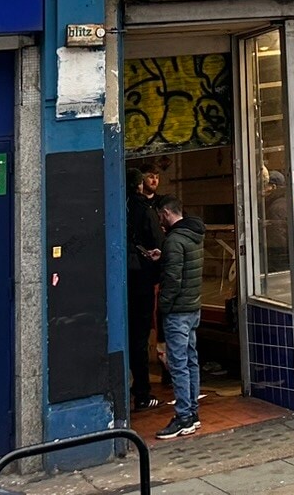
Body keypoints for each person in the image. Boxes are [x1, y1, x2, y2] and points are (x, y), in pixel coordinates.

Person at [153, 193, 206, 439]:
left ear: (165, 213)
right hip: (193, 307)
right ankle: (193, 413)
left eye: (159, 216)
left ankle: (184, 416)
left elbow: (173, 279)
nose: (159, 221)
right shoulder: (193, 234)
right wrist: (163, 257)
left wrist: (163, 306)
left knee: (178, 364)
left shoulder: (174, 240)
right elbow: (183, 266)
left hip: (177, 312)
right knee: (191, 360)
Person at [126, 166, 163, 412]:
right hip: (141, 280)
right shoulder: (145, 210)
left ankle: (129, 387)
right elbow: (159, 244)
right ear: (139, 185)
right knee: (140, 337)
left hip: (122, 279)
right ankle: (142, 392)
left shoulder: (118, 206)